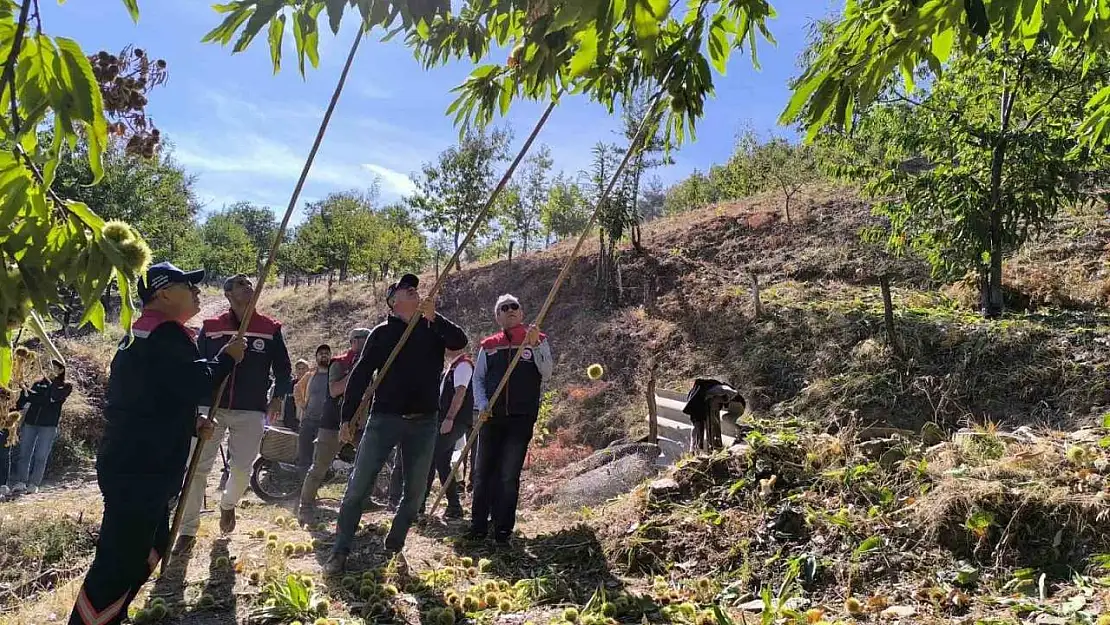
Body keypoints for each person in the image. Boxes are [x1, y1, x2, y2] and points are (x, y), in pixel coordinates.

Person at [68, 262, 245, 625]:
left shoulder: (142, 334)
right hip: (141, 465)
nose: (197, 292)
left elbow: (151, 396)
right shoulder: (165, 334)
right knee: (119, 561)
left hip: (137, 458)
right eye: (187, 286)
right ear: (162, 293)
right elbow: (195, 383)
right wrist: (227, 358)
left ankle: (114, 614)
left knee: (153, 544)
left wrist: (190, 422)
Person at [324, 274, 467, 574]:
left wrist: (434, 317)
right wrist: (347, 418)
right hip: (384, 418)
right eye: (406, 289)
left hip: (425, 421)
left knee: (415, 493)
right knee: (358, 487)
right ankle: (340, 550)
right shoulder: (382, 333)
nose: (415, 290)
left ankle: (395, 544)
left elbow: (460, 342)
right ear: (393, 302)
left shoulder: (432, 327)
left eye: (415, 287)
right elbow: (362, 374)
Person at [173, 274, 292, 554]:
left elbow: (284, 369)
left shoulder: (269, 328)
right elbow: (196, 364)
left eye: (249, 283)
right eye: (240, 284)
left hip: (251, 408)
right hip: (210, 405)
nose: (248, 287)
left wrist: (277, 398)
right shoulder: (212, 327)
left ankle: (228, 505)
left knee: (242, 468)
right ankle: (188, 531)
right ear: (227, 294)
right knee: (197, 468)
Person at [469, 294, 553, 545]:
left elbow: (546, 372)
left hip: (521, 417)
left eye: (514, 306)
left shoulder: (536, 339)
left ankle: (503, 530)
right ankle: (478, 527)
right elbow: (478, 379)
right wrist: (482, 405)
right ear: (497, 317)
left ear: (522, 312)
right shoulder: (489, 345)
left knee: (508, 474)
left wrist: (536, 345)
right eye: (503, 308)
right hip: (491, 417)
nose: (510, 310)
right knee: (483, 472)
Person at [296, 328, 369, 523]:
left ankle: (365, 500)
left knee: (369, 462)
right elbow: (335, 390)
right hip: (332, 423)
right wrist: (357, 371)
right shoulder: (339, 363)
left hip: (358, 423)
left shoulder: (370, 363)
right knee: (319, 466)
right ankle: (305, 506)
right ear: (354, 342)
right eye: (363, 340)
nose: (367, 343)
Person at [420, 347, 474, 518]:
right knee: (442, 462)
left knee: (429, 457)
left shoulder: (463, 365)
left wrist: (449, 419)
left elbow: (460, 392)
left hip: (454, 421)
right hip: (445, 420)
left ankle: (418, 505)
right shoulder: (452, 367)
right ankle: (454, 507)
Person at [10, 359, 72, 494]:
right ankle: (21, 482)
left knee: (41, 455)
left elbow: (54, 397)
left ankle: (34, 484)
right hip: (30, 423)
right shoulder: (37, 383)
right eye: (49, 366)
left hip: (48, 426)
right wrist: (25, 391)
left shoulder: (65, 386)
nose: (49, 369)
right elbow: (26, 400)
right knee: (24, 453)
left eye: (54, 367)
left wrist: (39, 396)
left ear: (61, 370)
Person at [292, 345, 332, 476]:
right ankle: (301, 486)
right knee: (305, 454)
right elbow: (297, 388)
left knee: (320, 455)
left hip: (325, 423)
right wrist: (302, 404)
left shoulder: (334, 374)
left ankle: (318, 482)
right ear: (316, 357)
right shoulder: (310, 375)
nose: (324, 355)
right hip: (308, 420)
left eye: (327, 353)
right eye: (321, 353)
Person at [283, 359, 311, 431]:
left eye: (303, 368)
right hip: (290, 425)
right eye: (299, 369)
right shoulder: (289, 385)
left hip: (307, 424)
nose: (301, 371)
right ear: (296, 371)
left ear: (308, 370)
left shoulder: (312, 385)